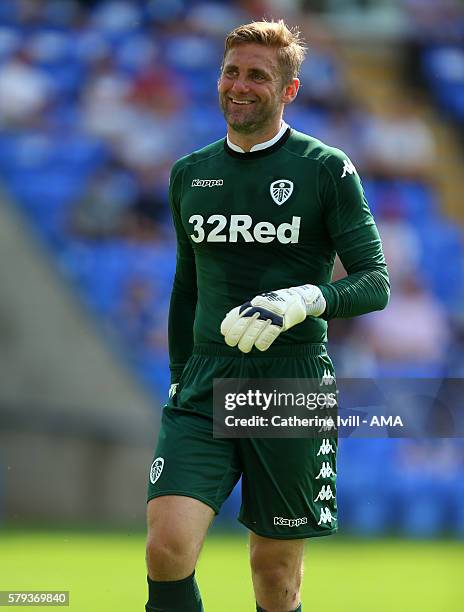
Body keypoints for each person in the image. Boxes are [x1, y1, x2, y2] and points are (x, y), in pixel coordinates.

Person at [145, 20, 390, 612]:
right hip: (203, 381)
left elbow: (375, 282)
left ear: (289, 90)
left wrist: (307, 298)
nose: (240, 85)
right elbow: (186, 288)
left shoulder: (326, 168)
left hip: (291, 380)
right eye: (231, 71)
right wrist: (180, 373)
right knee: (167, 547)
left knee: (274, 573)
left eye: (258, 74)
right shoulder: (189, 173)